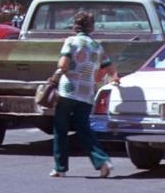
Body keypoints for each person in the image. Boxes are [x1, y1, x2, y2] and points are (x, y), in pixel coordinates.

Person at [49, 11, 119, 178]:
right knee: (84, 128)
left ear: (75, 26)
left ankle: (60, 168)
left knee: (61, 128)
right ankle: (102, 161)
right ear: (91, 27)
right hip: (87, 93)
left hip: (68, 91)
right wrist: (114, 80)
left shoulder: (71, 42)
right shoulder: (97, 46)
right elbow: (110, 70)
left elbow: (64, 65)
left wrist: (54, 77)